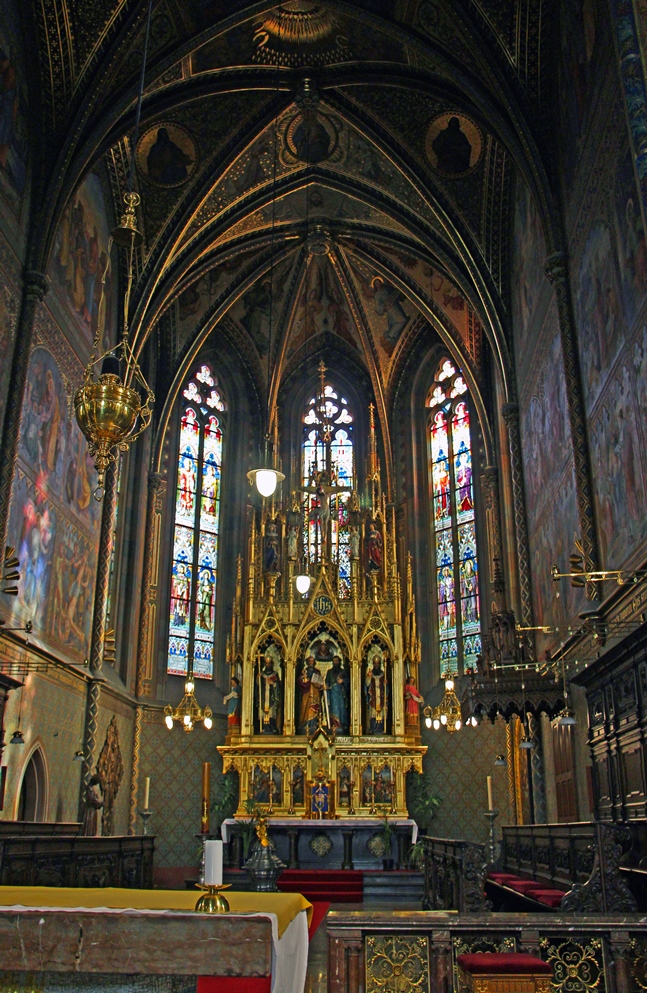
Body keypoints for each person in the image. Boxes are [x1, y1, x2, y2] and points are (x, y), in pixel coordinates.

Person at [297, 656, 324, 733]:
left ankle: (313, 725)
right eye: (309, 661)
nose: (311, 662)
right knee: (305, 709)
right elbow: (299, 681)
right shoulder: (304, 671)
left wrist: (318, 684)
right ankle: (305, 725)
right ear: (307, 662)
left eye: (312, 661)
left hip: (315, 693)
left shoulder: (317, 671)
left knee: (314, 708)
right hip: (306, 693)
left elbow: (320, 683)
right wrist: (303, 677)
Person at [366, 653, 389, 734]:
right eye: (375, 663)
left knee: (381, 712)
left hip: (381, 696)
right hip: (373, 696)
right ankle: (373, 728)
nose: (376, 665)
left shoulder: (383, 674)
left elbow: (386, 688)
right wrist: (369, 677)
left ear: (380, 664)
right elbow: (367, 684)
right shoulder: (370, 674)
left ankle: (380, 729)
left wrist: (385, 684)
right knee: (373, 712)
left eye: (377, 663)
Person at [326, 655, 350, 733]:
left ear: (339, 662)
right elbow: (327, 683)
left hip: (341, 694)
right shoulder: (329, 672)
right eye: (334, 661)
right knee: (334, 709)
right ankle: (334, 726)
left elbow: (348, 681)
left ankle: (341, 725)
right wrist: (327, 696)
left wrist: (343, 681)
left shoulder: (343, 671)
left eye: (337, 661)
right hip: (332, 694)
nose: (335, 662)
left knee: (341, 710)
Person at [258, 654, 281, 733]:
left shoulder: (275, 674)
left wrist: (273, 684)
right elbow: (258, 687)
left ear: (272, 664)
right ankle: (264, 727)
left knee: (271, 711)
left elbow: (278, 686)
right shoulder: (262, 675)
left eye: (269, 663)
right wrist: (257, 680)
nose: (268, 665)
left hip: (271, 696)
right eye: (267, 663)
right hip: (264, 696)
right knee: (263, 711)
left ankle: (272, 726)